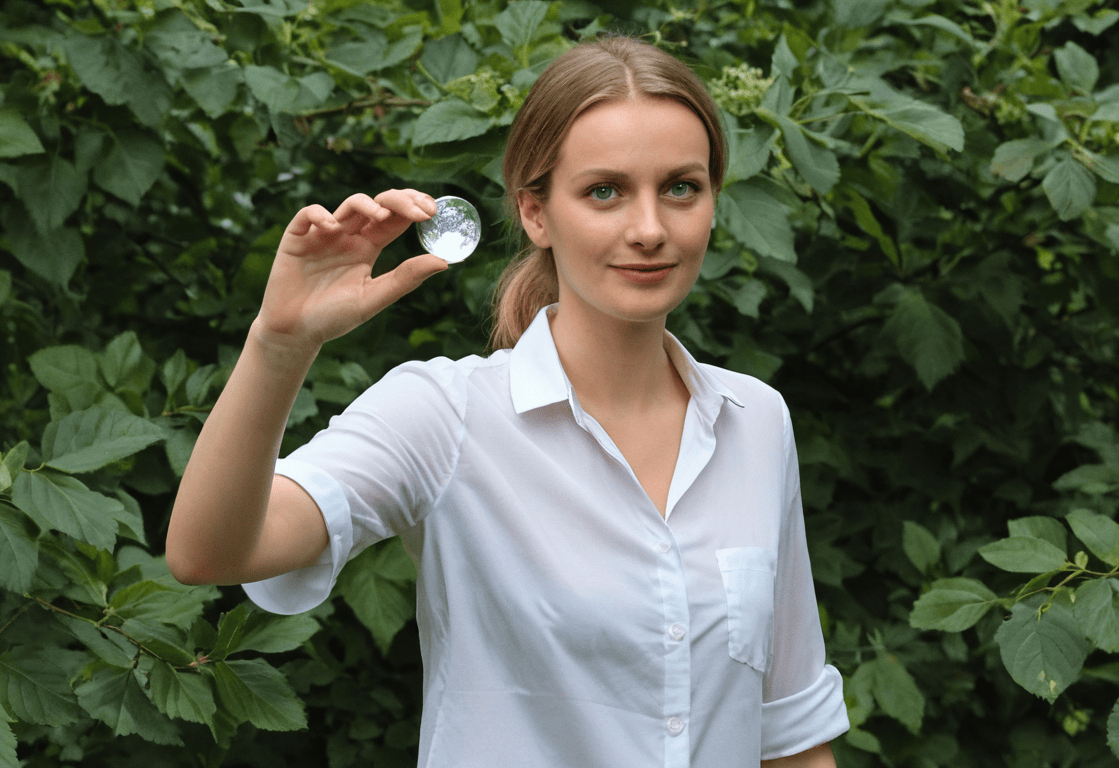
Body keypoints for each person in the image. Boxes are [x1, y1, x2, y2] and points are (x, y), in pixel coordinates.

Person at [166, 35, 849, 767]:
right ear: (534, 212)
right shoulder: (446, 415)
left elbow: (791, 735)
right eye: (605, 191)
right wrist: (280, 343)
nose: (650, 229)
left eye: (681, 187)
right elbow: (212, 551)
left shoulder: (757, 421)